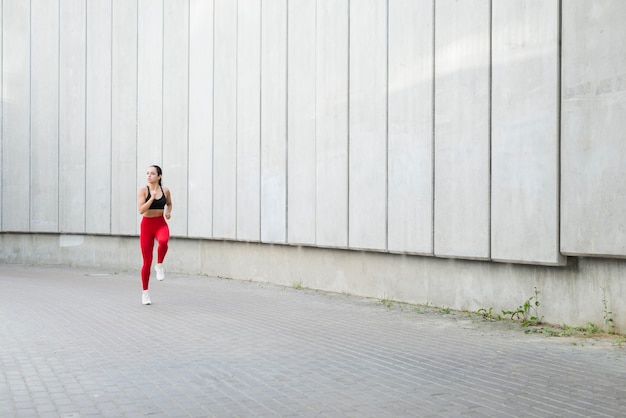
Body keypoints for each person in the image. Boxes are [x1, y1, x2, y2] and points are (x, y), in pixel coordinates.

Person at [137, 165, 172, 305]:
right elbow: (140, 210)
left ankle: (160, 265)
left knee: (164, 241)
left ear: (159, 176)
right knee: (146, 262)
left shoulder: (166, 190)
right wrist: (151, 198)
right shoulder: (143, 190)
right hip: (146, 226)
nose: (149, 175)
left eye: (152, 173)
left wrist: (168, 212)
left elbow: (169, 204)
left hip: (160, 223)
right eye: (147, 173)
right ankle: (145, 293)